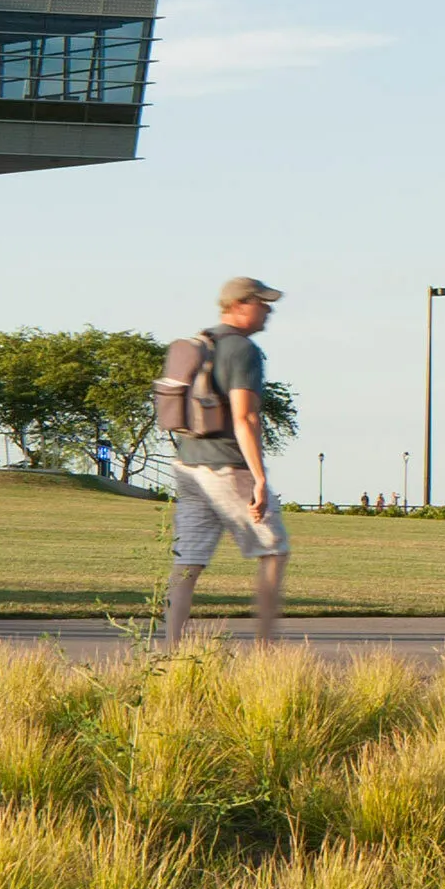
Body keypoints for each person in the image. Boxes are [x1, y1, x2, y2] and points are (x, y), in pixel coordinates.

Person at [163, 276, 286, 649]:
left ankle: (170, 649)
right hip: (227, 468)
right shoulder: (241, 350)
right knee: (273, 550)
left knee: (188, 562)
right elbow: (245, 418)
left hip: (188, 466)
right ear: (240, 304)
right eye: (263, 303)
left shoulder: (199, 344)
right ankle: (266, 654)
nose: (269, 311)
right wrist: (259, 478)